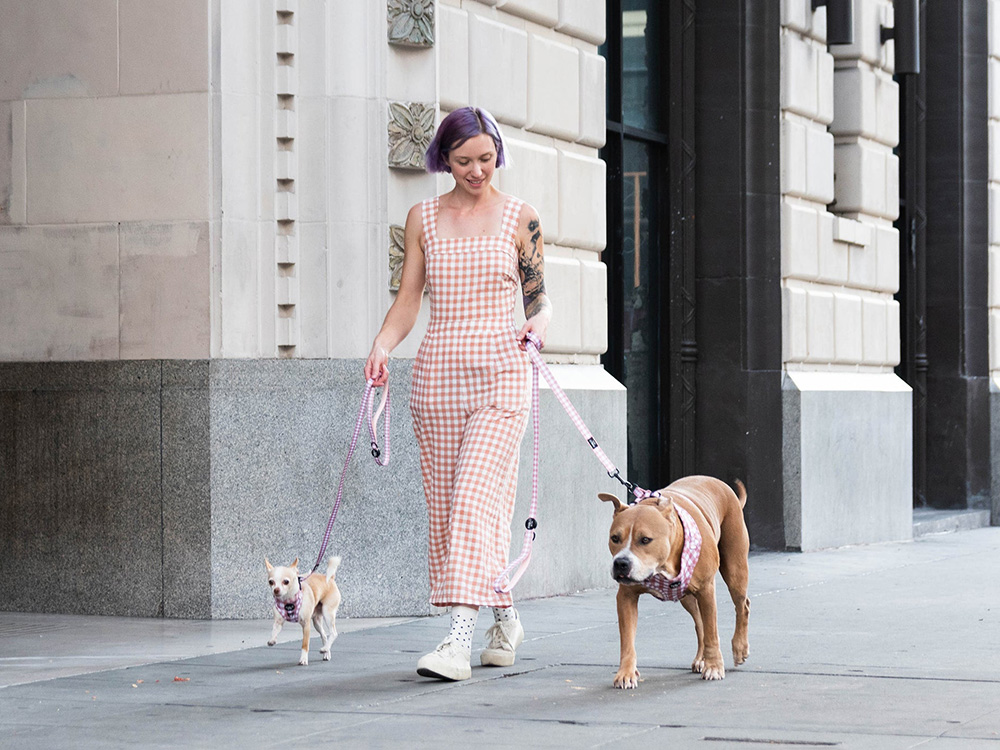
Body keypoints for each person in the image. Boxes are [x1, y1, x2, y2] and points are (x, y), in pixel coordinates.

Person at [364, 106, 552, 681]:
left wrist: (535, 328)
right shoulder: (422, 217)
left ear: (498, 152)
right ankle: (506, 618)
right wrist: (382, 346)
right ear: (443, 159)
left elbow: (539, 299)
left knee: (473, 497)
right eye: (464, 160)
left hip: (503, 374)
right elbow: (408, 300)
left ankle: (458, 639)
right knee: (454, 511)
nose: (477, 171)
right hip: (438, 377)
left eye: (487, 158)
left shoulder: (522, 217)